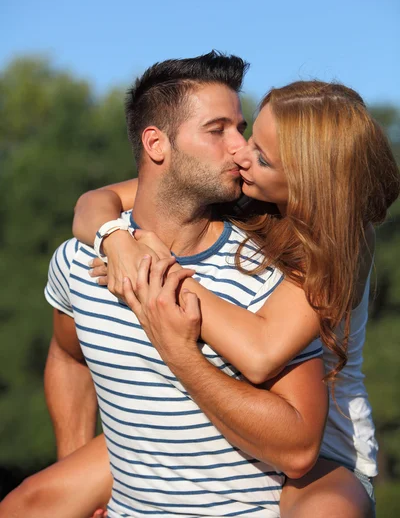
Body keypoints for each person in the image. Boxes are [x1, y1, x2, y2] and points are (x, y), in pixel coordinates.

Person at [0, 53, 328, 518]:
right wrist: (75, 466)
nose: (240, 148)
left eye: (241, 127)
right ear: (156, 144)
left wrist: (181, 350)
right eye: (218, 131)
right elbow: (69, 355)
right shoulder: (78, 261)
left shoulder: (270, 270)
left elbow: (298, 447)